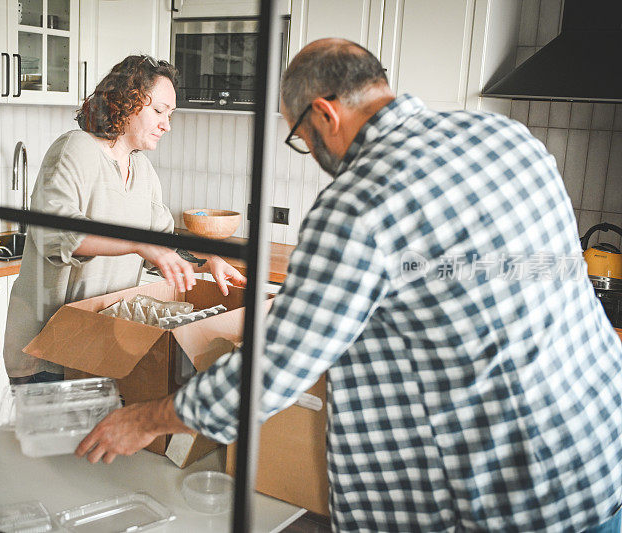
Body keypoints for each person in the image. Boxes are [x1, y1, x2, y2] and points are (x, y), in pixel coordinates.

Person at [74, 40, 622, 531]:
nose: (311, 154)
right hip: (599, 461)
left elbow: (274, 368)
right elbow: (543, 268)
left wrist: (145, 419)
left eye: (301, 137)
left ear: (326, 114)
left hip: (502, 503)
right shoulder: (506, 138)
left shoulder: (360, 202)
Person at [3, 55, 246, 385]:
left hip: (99, 347)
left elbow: (162, 248)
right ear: (126, 102)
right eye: (159, 111)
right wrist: (139, 244)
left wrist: (205, 263)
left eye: (170, 114)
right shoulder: (75, 148)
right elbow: (55, 236)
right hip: (47, 351)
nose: (167, 124)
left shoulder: (143, 170)